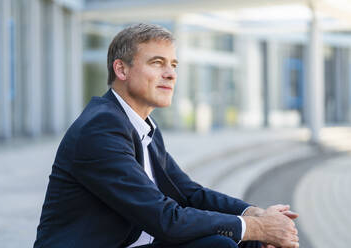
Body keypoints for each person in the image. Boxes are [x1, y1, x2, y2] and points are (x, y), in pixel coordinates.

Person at [34, 23, 299, 248]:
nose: (171, 74)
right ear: (121, 70)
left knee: (244, 240)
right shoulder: (100, 130)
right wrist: (256, 227)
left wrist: (253, 214)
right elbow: (164, 218)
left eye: (173, 64)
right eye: (157, 63)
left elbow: (188, 192)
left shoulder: (141, 124)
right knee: (222, 243)